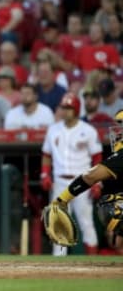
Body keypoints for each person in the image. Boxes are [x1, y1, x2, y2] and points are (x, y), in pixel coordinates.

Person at [49, 109, 123, 254]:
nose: (118, 132)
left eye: (122, 127)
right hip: (61, 178)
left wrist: (62, 199)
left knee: (111, 208)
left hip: (72, 184)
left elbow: (90, 177)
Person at [40, 93, 102, 255]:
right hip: (60, 182)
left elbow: (97, 158)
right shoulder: (53, 130)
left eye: (69, 108)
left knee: (86, 223)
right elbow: (47, 155)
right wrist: (45, 175)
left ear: (76, 109)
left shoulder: (88, 130)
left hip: (82, 181)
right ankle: (59, 265)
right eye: (63, 108)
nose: (65, 111)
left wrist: (97, 182)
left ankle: (94, 263)